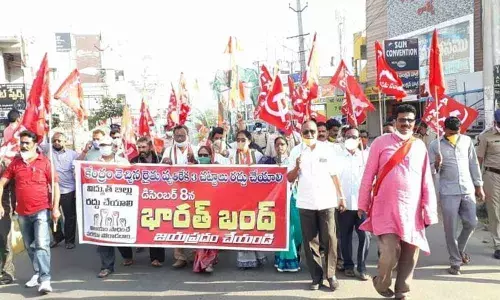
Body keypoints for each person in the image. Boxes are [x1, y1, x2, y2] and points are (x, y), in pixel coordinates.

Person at [358, 104, 438, 299]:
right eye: (402, 120)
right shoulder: (381, 142)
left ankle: (402, 289)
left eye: (410, 120)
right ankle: (382, 282)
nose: (406, 124)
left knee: (410, 253)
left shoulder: (419, 146)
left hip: (412, 211)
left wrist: (429, 210)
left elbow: (426, 179)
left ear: (414, 122)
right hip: (385, 209)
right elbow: (368, 174)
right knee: (389, 251)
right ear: (395, 121)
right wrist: (362, 203)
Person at [287, 120, 346, 291]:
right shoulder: (295, 151)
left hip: (327, 202)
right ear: (301, 133)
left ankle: (331, 274)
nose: (310, 135)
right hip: (305, 202)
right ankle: (316, 277)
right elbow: (289, 178)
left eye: (312, 131)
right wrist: (297, 167)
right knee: (310, 241)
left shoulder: (327, 150)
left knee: (330, 238)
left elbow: (334, 175)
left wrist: (341, 197)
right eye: (306, 132)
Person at [0, 130, 61, 294]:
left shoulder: (45, 162)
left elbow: (55, 186)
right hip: (22, 212)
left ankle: (45, 279)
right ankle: (37, 273)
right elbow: (2, 183)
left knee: (41, 244)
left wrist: (55, 208)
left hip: (41, 210)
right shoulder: (16, 163)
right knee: (30, 246)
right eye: (22, 142)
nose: (24, 145)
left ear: (35, 144)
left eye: (27, 142)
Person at [429, 117, 484, 275]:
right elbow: (430, 169)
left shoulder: (466, 141)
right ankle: (455, 261)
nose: (454, 134)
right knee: (450, 229)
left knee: (472, 222)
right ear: (444, 129)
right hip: (448, 191)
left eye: (457, 132)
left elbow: (473, 163)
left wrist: (478, 186)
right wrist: (437, 164)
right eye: (451, 132)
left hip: (467, 189)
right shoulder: (435, 145)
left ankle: (459, 249)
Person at [93, 136, 134, 278]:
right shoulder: (93, 163)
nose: (104, 147)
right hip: (101, 203)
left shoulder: (122, 162)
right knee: (103, 234)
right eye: (102, 145)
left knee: (119, 232)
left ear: (113, 146)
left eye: (107, 145)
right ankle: (106, 266)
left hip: (120, 202)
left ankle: (127, 255)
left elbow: (131, 179)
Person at [264, 136, 302, 272]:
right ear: (274, 147)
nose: (280, 147)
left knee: (294, 230)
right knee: (281, 230)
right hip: (275, 201)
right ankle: (284, 260)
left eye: (282, 144)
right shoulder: (268, 162)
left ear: (287, 146)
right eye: (277, 145)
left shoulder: (292, 160)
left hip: (292, 198)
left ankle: (294, 254)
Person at [162, 125, 198, 268]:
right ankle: (180, 256)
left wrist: (195, 162)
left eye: (182, 136)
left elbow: (206, 168)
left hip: (195, 192)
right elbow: (161, 171)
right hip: (175, 192)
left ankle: (196, 255)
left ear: (187, 136)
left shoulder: (195, 149)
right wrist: (165, 164)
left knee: (196, 223)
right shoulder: (168, 151)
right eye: (177, 136)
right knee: (178, 223)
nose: (180, 138)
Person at [229, 130, 266, 269]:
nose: (240, 142)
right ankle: (245, 259)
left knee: (254, 226)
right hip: (238, 195)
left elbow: (268, 172)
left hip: (255, 196)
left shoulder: (256, 154)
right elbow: (220, 155)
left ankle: (258, 256)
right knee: (242, 226)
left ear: (249, 141)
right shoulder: (232, 154)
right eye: (238, 139)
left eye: (243, 140)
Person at [337, 127, 370, 281]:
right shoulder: (337, 157)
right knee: (345, 237)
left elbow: (370, 181)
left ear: (359, 140)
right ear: (344, 138)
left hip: (362, 206)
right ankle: (348, 265)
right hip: (343, 205)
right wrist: (338, 199)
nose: (351, 139)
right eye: (348, 136)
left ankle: (362, 267)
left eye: (354, 137)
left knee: (365, 236)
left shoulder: (365, 157)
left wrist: (365, 203)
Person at [130, 136, 165, 267]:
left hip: (160, 198)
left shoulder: (160, 159)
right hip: (142, 198)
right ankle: (152, 257)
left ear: (150, 147)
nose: (141, 150)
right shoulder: (134, 161)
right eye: (139, 147)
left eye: (143, 147)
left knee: (158, 227)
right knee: (149, 227)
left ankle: (158, 257)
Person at [477, 109, 500, 259]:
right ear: (495, 122)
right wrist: (477, 182)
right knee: (495, 211)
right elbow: (478, 160)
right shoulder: (485, 137)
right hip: (493, 176)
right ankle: (498, 244)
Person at [192, 146, 219, 273]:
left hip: (213, 207)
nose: (202, 158)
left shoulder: (218, 169)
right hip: (198, 208)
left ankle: (209, 262)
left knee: (212, 237)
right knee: (200, 237)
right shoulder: (192, 169)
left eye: (205, 155)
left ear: (210, 156)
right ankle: (201, 263)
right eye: (200, 155)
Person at [50, 132, 78, 250]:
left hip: (68, 190)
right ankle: (57, 237)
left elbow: (77, 170)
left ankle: (69, 240)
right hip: (51, 190)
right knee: (51, 216)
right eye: (54, 140)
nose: (56, 142)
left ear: (65, 141)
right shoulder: (48, 153)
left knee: (69, 216)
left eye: (59, 140)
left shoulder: (73, 154)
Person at [0, 157, 15, 285]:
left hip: (3, 207)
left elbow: (14, 187)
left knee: (4, 240)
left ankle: (7, 272)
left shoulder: (6, 164)